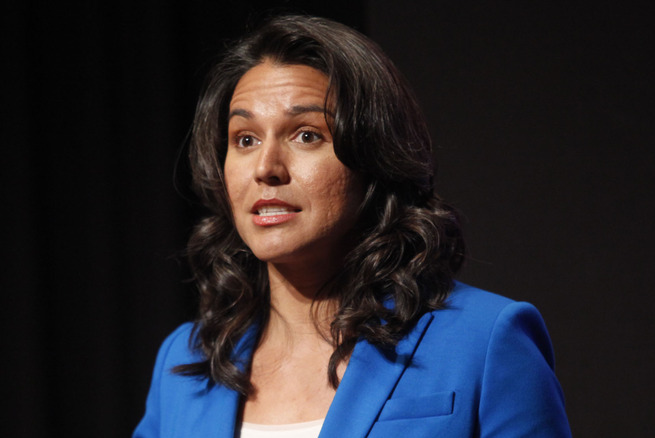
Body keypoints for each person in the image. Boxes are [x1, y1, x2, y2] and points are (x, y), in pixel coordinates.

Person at [134, 15, 571, 438]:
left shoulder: (486, 339)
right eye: (245, 140)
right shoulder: (187, 361)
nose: (266, 168)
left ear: (374, 157)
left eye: (306, 135)